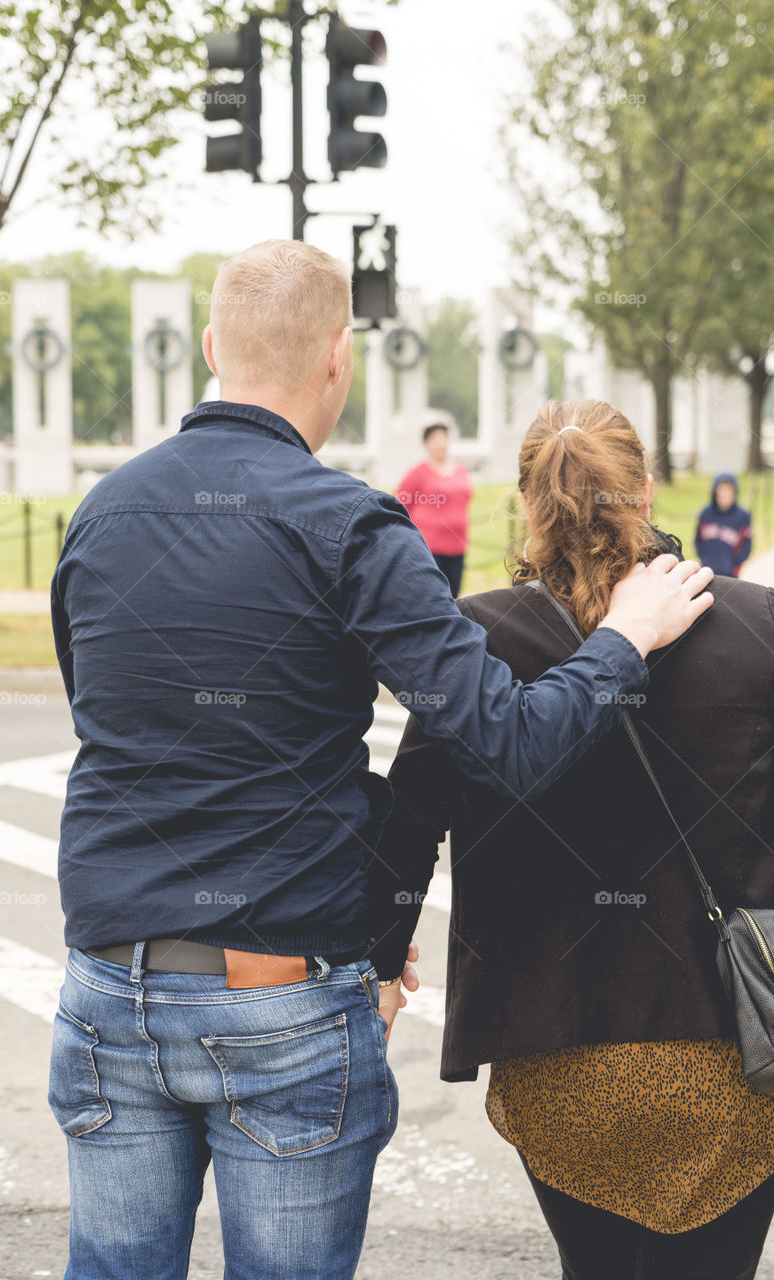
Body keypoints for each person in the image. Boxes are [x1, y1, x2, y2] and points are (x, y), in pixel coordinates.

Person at [48, 242, 711, 1280]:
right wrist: (623, 637)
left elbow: (112, 722)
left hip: (104, 990)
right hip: (281, 999)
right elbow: (506, 739)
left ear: (213, 348)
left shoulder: (100, 515)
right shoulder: (349, 527)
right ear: (338, 357)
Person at [372, 399, 774, 1280]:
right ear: (645, 490)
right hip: (737, 1047)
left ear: (528, 503)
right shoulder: (757, 626)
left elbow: (407, 824)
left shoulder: (476, 641)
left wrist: (378, 961)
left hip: (554, 1047)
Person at [396, 422, 473, 595]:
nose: (440, 444)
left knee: (454, 596)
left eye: (443, 438)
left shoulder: (461, 470)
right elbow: (399, 504)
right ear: (427, 444)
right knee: (432, 595)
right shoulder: (418, 472)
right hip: (429, 548)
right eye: (435, 439)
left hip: (458, 545)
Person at [695, 472, 752, 576]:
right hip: (707, 571)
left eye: (728, 489)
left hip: (730, 574)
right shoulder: (706, 513)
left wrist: (734, 566)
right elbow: (698, 540)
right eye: (721, 489)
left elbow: (746, 546)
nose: (724, 493)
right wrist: (704, 559)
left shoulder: (743, 516)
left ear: (734, 492)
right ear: (715, 491)